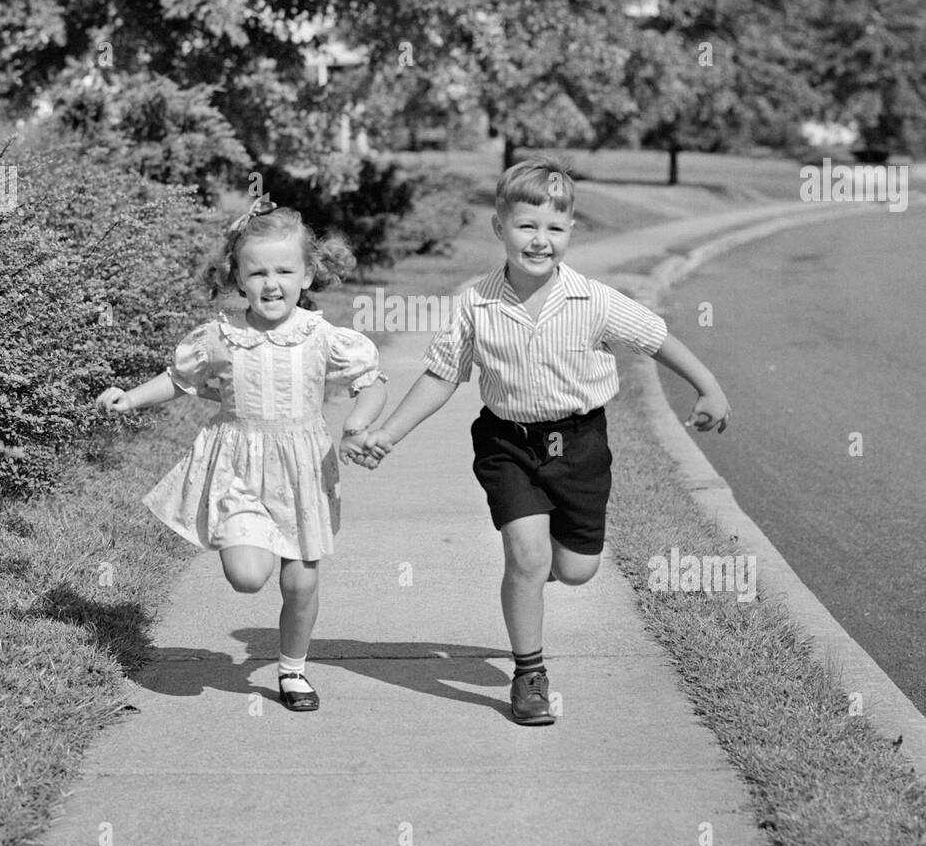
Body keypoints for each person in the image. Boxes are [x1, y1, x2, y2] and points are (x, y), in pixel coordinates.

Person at [359, 159, 730, 726]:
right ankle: (529, 673)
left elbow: (657, 340)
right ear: (499, 227)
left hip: (580, 443)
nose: (540, 240)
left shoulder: (594, 300)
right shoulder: (474, 303)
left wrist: (708, 387)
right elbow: (441, 375)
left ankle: (543, 569)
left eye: (554, 228)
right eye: (527, 225)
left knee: (577, 570)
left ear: (571, 232)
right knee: (526, 557)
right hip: (507, 443)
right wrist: (387, 434)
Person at [95, 198, 387, 712]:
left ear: (308, 273)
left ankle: (293, 671)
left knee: (300, 581)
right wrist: (130, 397)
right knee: (249, 577)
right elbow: (179, 380)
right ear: (237, 276)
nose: (271, 283)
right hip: (238, 470)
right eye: (257, 272)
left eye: (284, 270)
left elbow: (371, 384)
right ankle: (257, 535)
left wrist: (358, 424)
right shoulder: (221, 336)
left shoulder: (324, 338)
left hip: (303, 471)